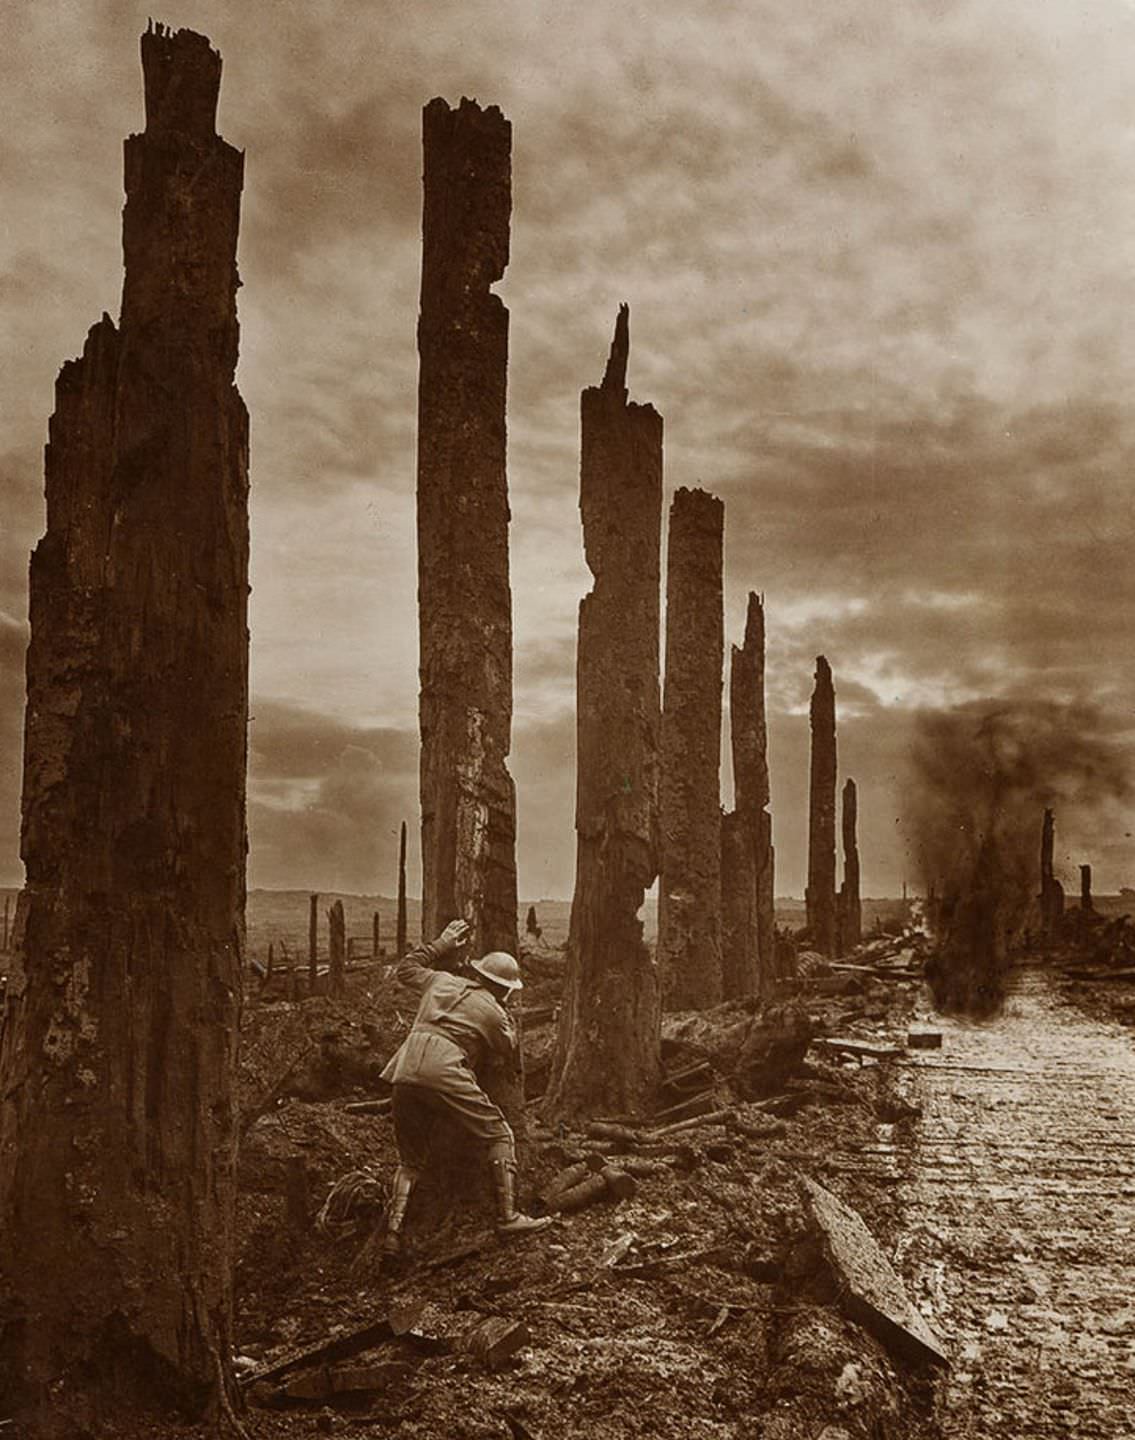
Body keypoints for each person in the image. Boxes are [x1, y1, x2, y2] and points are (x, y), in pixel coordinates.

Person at [380, 917, 552, 1254]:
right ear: (504, 988)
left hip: (404, 1070)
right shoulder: (494, 1011)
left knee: (410, 1161)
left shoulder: (440, 981)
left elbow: (406, 969)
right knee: (500, 1133)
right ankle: (508, 1216)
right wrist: (503, 1015)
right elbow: (508, 1049)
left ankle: (393, 1233)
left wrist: (442, 943)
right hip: (444, 1072)